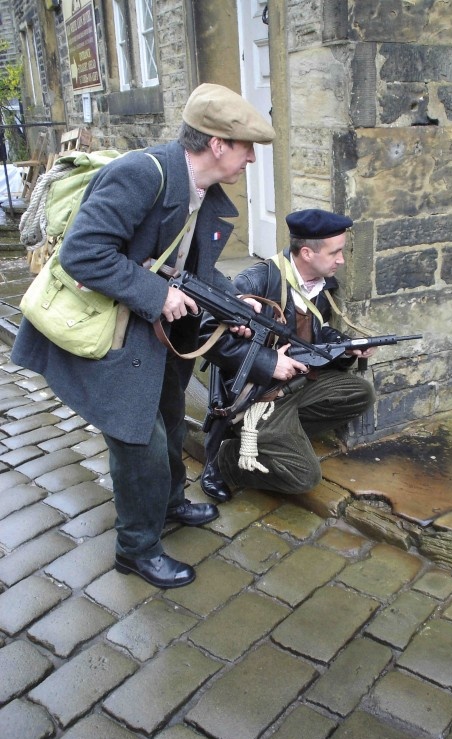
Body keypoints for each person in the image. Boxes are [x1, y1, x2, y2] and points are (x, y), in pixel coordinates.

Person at [11, 83, 275, 588]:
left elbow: (186, 265)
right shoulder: (141, 174)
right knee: (140, 443)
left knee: (173, 421)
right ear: (218, 144)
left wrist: (230, 301)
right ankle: (136, 548)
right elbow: (84, 254)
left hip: (151, 334)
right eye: (247, 149)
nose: (251, 162)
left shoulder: (200, 190)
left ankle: (171, 504)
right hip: (109, 331)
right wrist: (156, 297)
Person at [199, 208, 376, 501]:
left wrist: (347, 346)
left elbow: (315, 336)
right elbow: (207, 334)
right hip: (260, 394)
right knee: (304, 477)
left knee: (359, 393)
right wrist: (268, 362)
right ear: (307, 253)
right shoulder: (256, 282)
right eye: (336, 253)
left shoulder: (322, 283)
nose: (341, 260)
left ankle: (280, 436)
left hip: (298, 383)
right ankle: (225, 458)